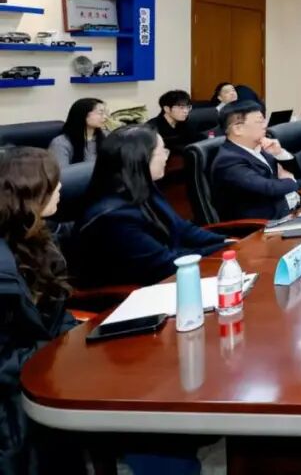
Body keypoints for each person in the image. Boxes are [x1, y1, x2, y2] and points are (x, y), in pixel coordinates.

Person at [0, 148, 86, 474]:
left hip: (45, 380)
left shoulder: (38, 238)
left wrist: (76, 338)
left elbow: (55, 313)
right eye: (53, 183)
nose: (61, 187)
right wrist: (59, 351)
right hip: (12, 409)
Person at [73, 127, 227, 286]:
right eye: (162, 151)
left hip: (169, 272)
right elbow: (164, 265)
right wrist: (218, 252)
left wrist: (226, 242)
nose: (167, 157)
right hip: (136, 292)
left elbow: (182, 228)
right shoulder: (113, 217)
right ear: (141, 159)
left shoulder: (143, 188)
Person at [211, 101, 301, 221]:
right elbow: (269, 188)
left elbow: (298, 173)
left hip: (292, 210)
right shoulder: (228, 161)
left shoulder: (259, 146)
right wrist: (291, 180)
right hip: (265, 224)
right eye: (259, 121)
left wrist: (279, 153)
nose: (265, 125)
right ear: (238, 129)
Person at [48, 97, 108, 166]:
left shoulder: (107, 135)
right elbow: (62, 172)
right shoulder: (60, 143)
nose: (105, 117)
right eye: (100, 113)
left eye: (105, 113)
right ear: (83, 114)